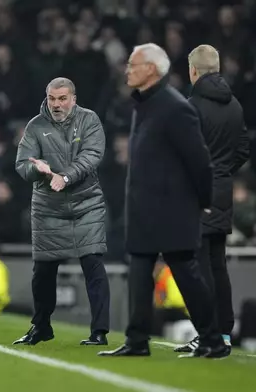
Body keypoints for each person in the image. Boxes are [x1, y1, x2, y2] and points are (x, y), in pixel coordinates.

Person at [98, 43, 229, 359]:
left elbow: (200, 160)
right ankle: (137, 341)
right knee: (140, 273)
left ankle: (212, 339)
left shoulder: (174, 107)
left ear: (152, 70)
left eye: (134, 64)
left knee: (186, 274)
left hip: (172, 210)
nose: (127, 70)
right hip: (145, 210)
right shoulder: (143, 105)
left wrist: (204, 199)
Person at [13, 77, 111, 346]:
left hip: (86, 203)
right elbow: (22, 165)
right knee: (43, 271)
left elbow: (92, 155)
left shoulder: (89, 120)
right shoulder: (35, 126)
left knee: (93, 264)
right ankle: (41, 326)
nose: (56, 104)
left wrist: (65, 177)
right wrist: (37, 169)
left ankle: (99, 331)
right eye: (52, 99)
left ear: (73, 99)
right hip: (48, 207)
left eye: (62, 99)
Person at [173, 44, 250, 353]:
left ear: (193, 71)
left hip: (197, 194)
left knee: (199, 265)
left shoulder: (191, 106)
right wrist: (221, 173)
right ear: (217, 69)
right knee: (217, 264)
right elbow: (243, 149)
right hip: (222, 191)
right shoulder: (235, 105)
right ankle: (224, 333)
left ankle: (208, 334)